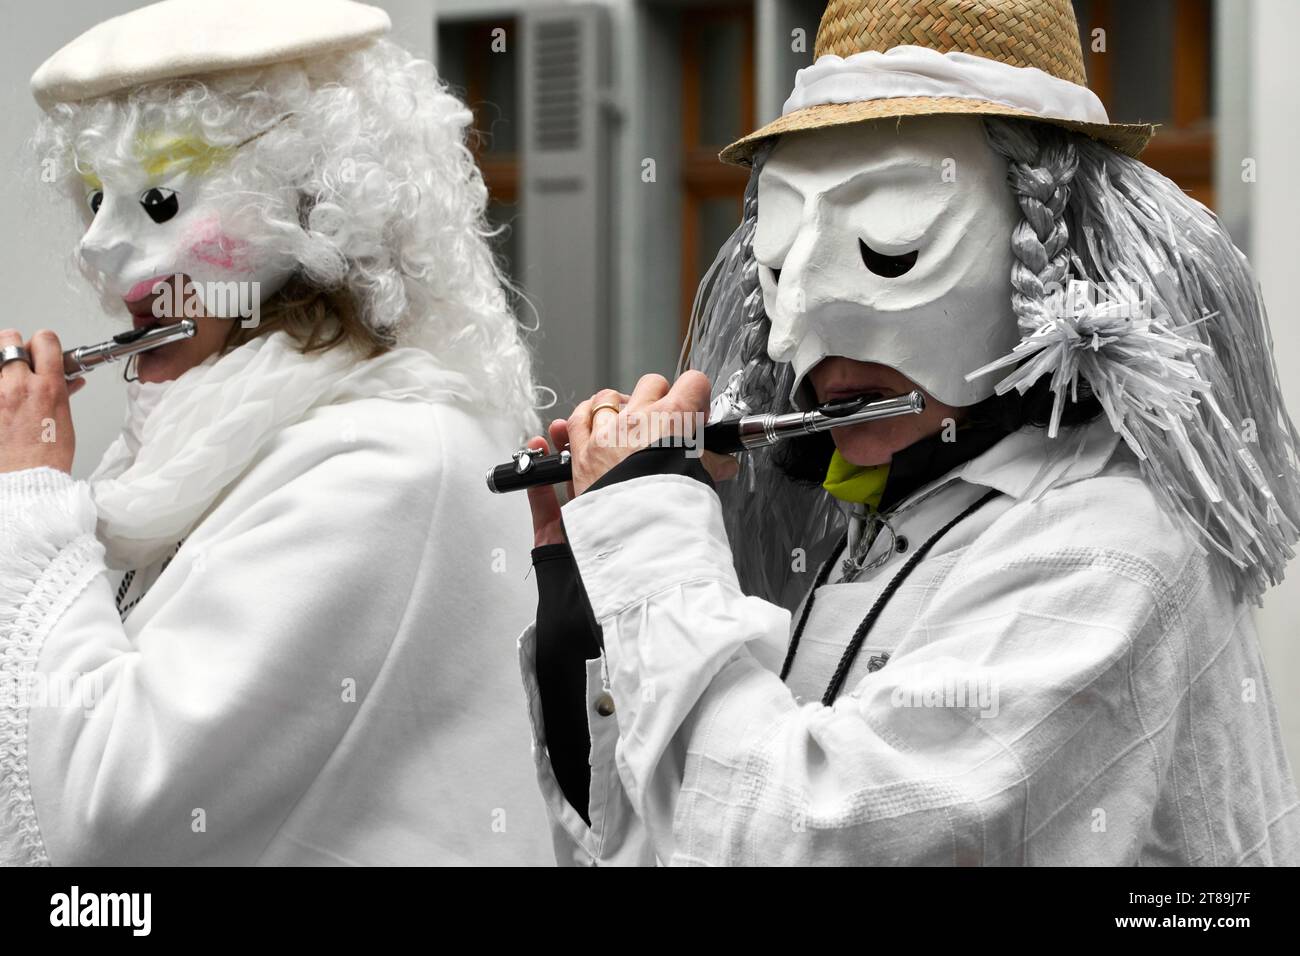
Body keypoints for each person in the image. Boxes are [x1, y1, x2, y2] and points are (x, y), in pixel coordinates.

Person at [520, 0, 1300, 865]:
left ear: (1051, 256)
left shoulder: (1106, 550)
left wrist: (650, 541)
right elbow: (688, 836)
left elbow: (809, 838)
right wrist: (589, 622)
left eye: (890, 252)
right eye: (778, 265)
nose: (799, 332)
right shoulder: (892, 523)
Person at [0, 0, 550, 865]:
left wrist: (29, 494)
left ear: (311, 208)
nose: (98, 250)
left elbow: (104, 815)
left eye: (158, 199)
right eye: (94, 198)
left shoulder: (384, 465)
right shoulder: (202, 442)